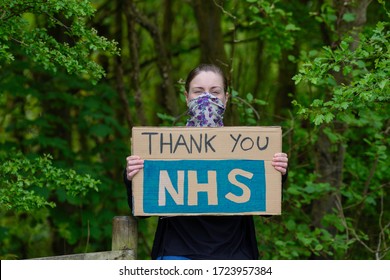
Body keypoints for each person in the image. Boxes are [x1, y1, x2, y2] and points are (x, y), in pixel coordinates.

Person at [124, 64, 288, 260]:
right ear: (186, 97)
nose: (206, 99)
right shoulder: (160, 149)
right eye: (198, 91)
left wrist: (278, 172)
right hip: (176, 254)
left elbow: (267, 211)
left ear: (226, 98)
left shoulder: (248, 147)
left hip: (234, 257)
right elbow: (142, 212)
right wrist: (131, 175)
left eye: (215, 92)